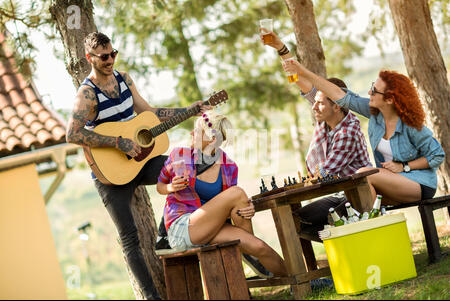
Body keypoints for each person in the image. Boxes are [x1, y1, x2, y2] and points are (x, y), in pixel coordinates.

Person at [66, 32, 211, 300]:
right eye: (104, 56)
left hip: (141, 163)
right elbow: (72, 134)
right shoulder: (86, 93)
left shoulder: (124, 79)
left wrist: (188, 110)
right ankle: (152, 298)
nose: (110, 60)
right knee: (130, 239)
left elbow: (150, 112)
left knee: (184, 170)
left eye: (113, 54)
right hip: (110, 173)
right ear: (90, 58)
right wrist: (117, 142)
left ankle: (166, 232)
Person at [283, 60, 445, 205]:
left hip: (419, 184)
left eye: (375, 91)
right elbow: (341, 96)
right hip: (392, 181)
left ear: (389, 99)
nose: (369, 93)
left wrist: (404, 166)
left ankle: (376, 227)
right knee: (352, 197)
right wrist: (301, 71)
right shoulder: (374, 114)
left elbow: (437, 155)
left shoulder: (410, 125)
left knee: (362, 174)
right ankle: (372, 231)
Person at [260, 30, 372, 229]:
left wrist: (302, 182)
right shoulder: (326, 114)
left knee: (315, 221)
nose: (314, 106)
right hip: (340, 193)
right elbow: (295, 78)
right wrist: (280, 48)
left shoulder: (347, 131)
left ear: (336, 105)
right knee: (298, 219)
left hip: (358, 194)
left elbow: (326, 173)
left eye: (319, 103)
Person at [156, 111, 288, 277]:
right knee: (237, 193)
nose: (191, 133)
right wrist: (170, 188)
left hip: (213, 227)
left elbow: (234, 206)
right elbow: (160, 185)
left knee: (260, 247)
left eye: (196, 131)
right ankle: (248, 254)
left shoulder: (229, 166)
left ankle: (299, 281)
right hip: (182, 228)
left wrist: (248, 209)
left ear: (212, 140)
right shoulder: (179, 155)